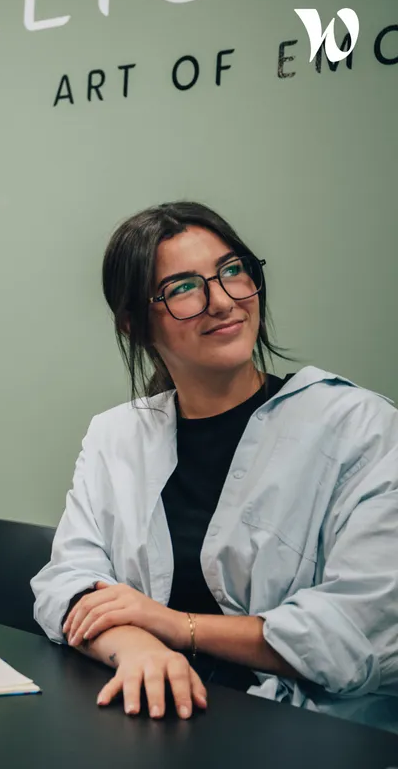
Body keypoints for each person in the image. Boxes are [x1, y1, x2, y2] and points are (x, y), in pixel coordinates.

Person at [30, 201, 398, 731]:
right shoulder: (117, 434)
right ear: (134, 324)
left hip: (311, 731)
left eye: (231, 271)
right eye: (183, 288)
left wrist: (176, 628)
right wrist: (137, 648)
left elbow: (359, 630)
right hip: (153, 715)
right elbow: (67, 581)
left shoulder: (359, 426)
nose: (223, 301)